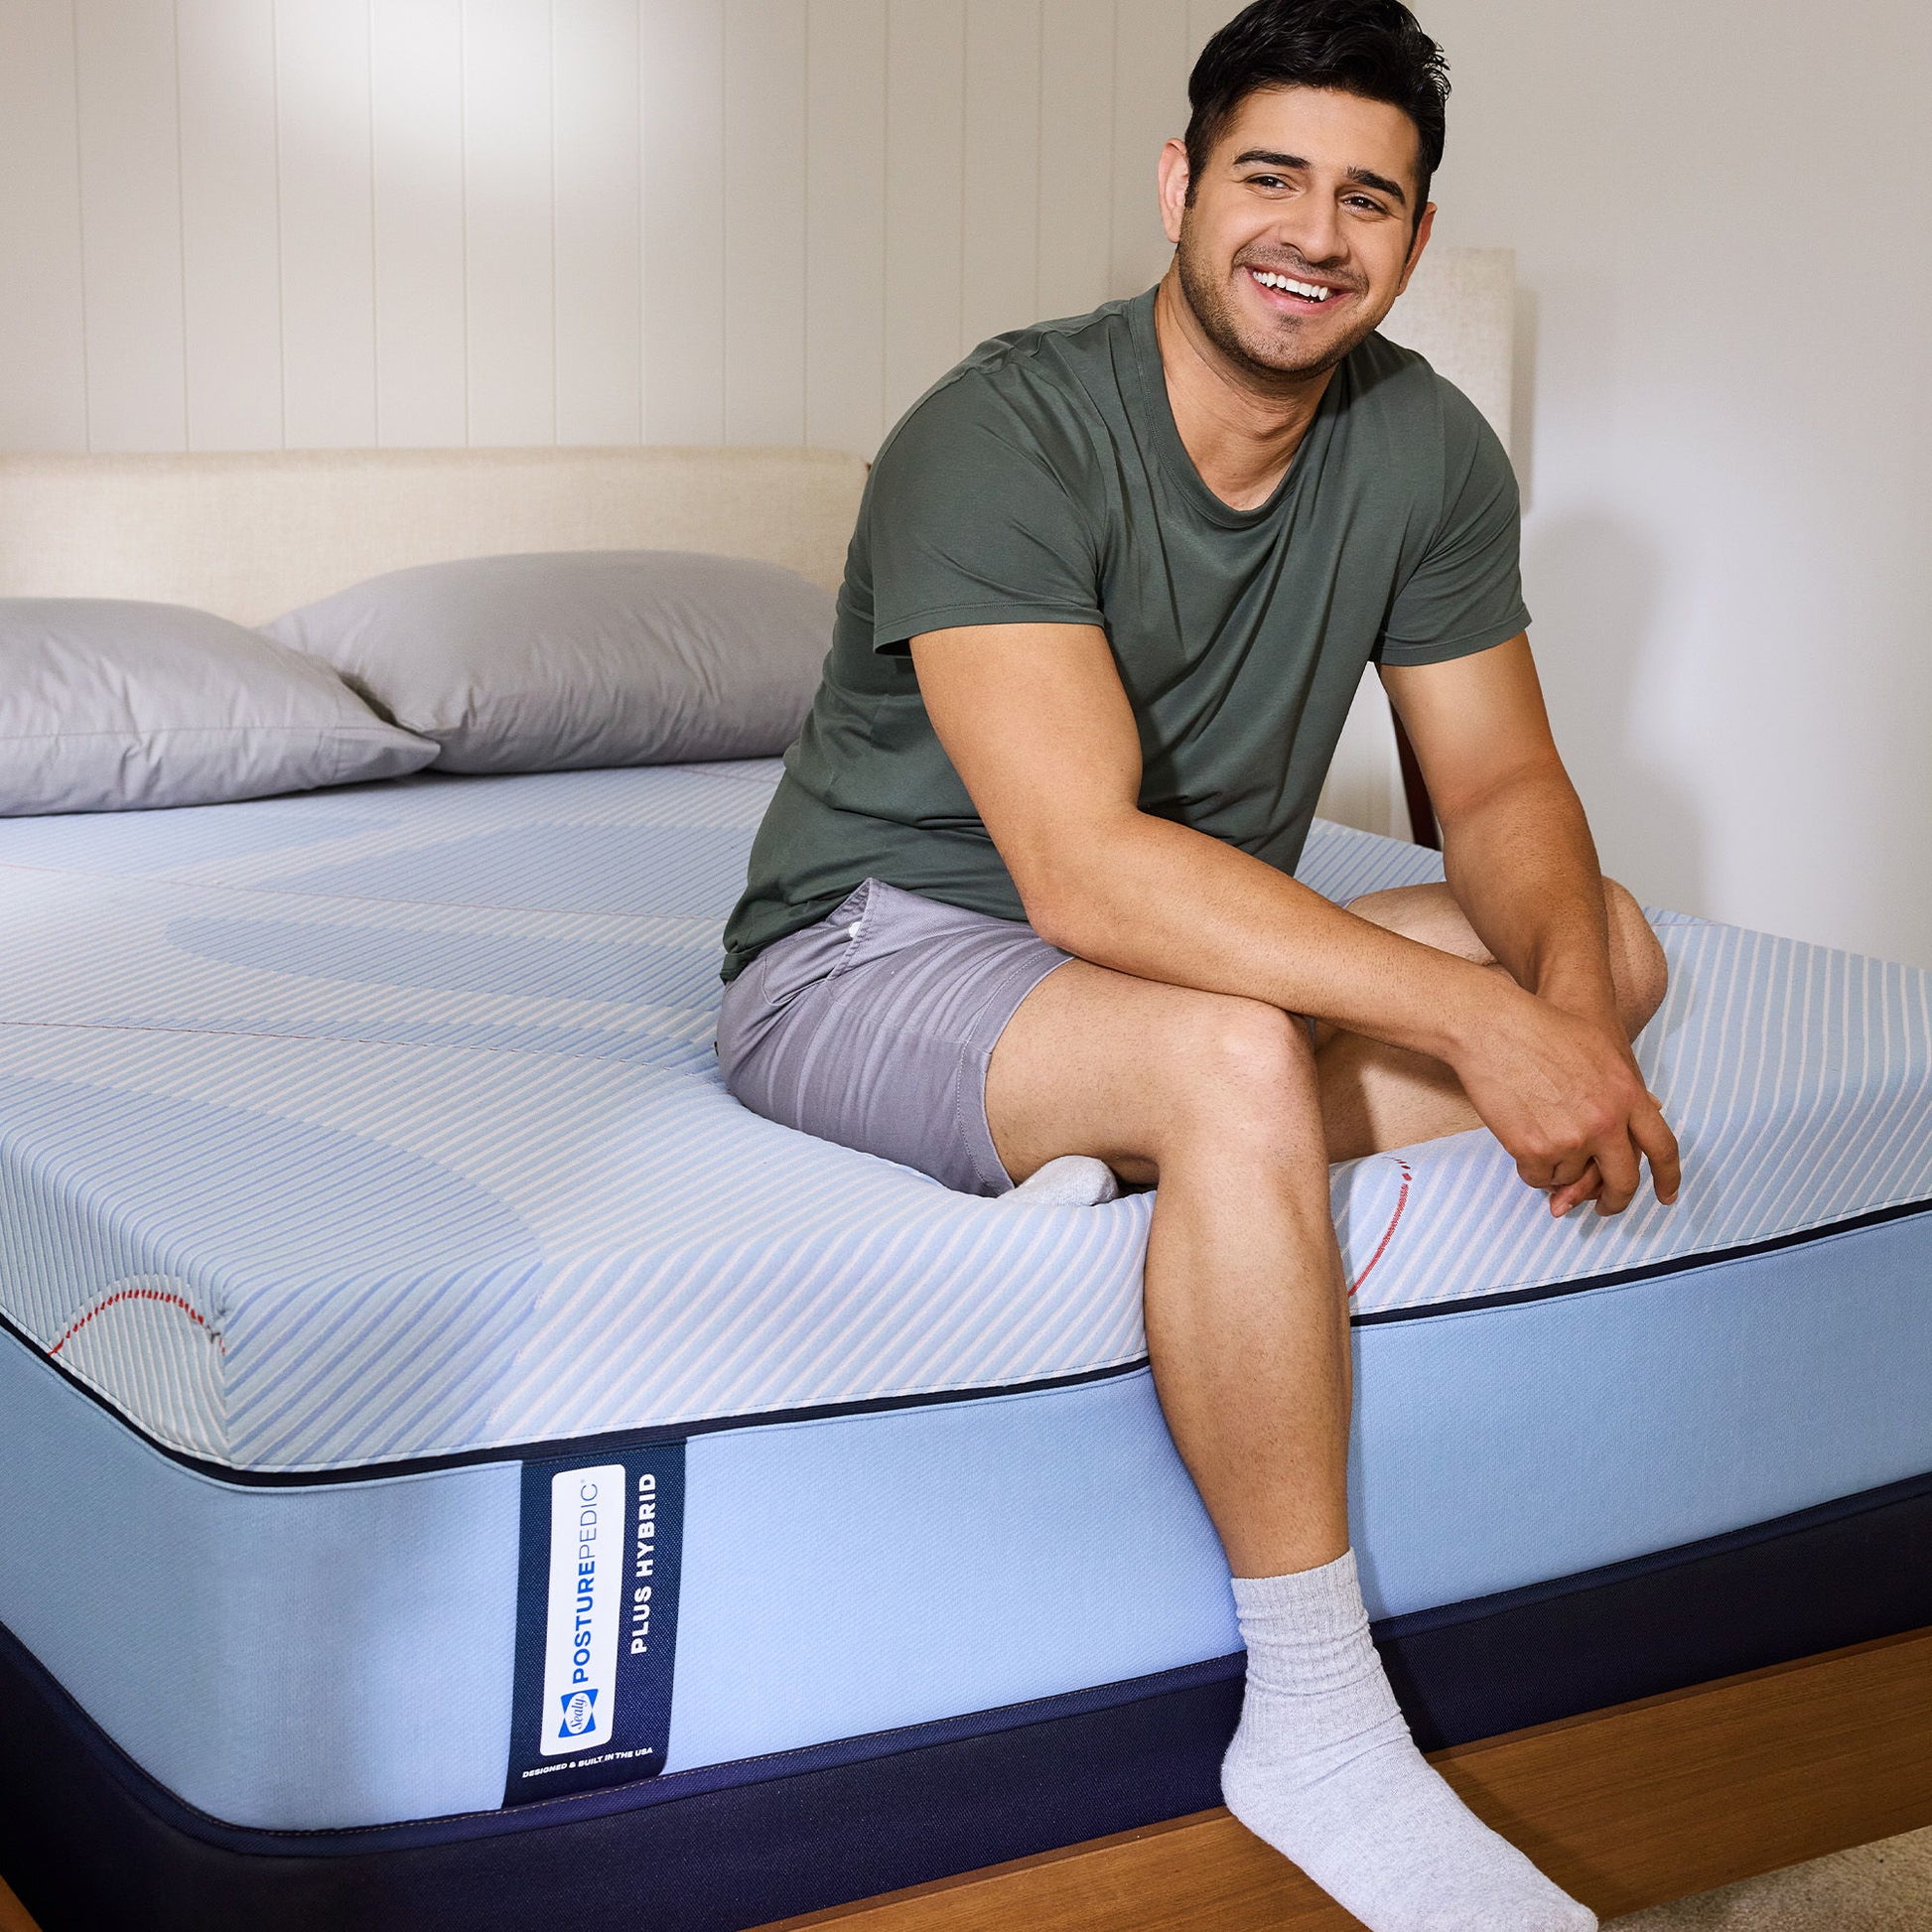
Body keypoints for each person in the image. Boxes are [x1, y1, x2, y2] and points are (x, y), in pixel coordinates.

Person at [718, 1, 1680, 1925]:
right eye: (1269, 178)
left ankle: (1149, 1163)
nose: (1312, 234)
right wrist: (1473, 1022)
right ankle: (1313, 1720)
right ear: (1178, 185)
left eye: (1365, 199)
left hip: (1167, 959)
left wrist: (1564, 1021)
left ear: (1411, 235)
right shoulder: (997, 430)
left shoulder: (1424, 449)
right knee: (1235, 1054)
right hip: (872, 952)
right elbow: (1079, 868)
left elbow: (1499, 788)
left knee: (1615, 944)